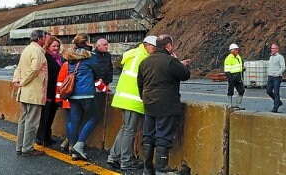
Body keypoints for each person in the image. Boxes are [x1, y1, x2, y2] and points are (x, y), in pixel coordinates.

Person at [137, 35, 191, 175]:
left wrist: (145, 99)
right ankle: (161, 170)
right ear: (168, 46)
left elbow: (140, 84)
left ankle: (147, 169)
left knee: (148, 136)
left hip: (149, 103)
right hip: (166, 104)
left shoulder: (145, 62)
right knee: (163, 136)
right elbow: (185, 75)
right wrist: (178, 62)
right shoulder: (171, 61)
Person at [107, 35, 157, 171]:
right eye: (153, 48)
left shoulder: (134, 54)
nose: (154, 50)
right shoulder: (143, 58)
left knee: (125, 129)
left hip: (124, 98)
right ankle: (126, 161)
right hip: (133, 99)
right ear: (146, 45)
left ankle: (113, 156)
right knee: (129, 130)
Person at [62, 33, 104, 161]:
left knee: (74, 121)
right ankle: (80, 144)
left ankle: (73, 149)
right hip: (86, 93)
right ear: (87, 42)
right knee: (93, 117)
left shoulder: (70, 57)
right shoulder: (90, 57)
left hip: (72, 93)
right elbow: (98, 72)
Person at [13, 29, 49, 157]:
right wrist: (23, 81)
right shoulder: (37, 51)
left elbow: (19, 67)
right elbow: (34, 69)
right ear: (40, 38)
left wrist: (17, 80)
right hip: (34, 91)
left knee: (23, 120)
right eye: (45, 37)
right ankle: (27, 148)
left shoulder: (27, 49)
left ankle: (20, 146)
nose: (47, 39)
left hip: (24, 92)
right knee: (32, 122)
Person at [36, 36, 63, 146]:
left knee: (51, 114)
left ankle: (47, 136)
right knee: (44, 116)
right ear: (48, 46)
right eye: (54, 46)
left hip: (55, 91)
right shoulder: (45, 57)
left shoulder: (60, 58)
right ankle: (40, 137)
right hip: (47, 90)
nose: (56, 48)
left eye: (57, 46)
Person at [224, 43, 245, 109]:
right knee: (230, 91)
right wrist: (230, 78)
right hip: (232, 77)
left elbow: (239, 66)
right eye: (236, 50)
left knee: (241, 90)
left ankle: (238, 104)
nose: (237, 51)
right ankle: (230, 105)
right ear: (232, 50)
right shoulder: (228, 58)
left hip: (238, 77)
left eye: (237, 50)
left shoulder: (238, 57)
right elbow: (227, 70)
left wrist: (243, 68)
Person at [266, 43, 286, 113]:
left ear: (277, 49)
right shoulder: (271, 57)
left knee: (276, 92)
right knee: (268, 91)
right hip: (270, 76)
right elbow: (269, 66)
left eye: (273, 48)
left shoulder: (280, 57)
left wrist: (277, 74)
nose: (272, 50)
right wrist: (268, 73)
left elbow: (283, 67)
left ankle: (275, 107)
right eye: (271, 48)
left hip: (277, 77)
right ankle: (278, 102)